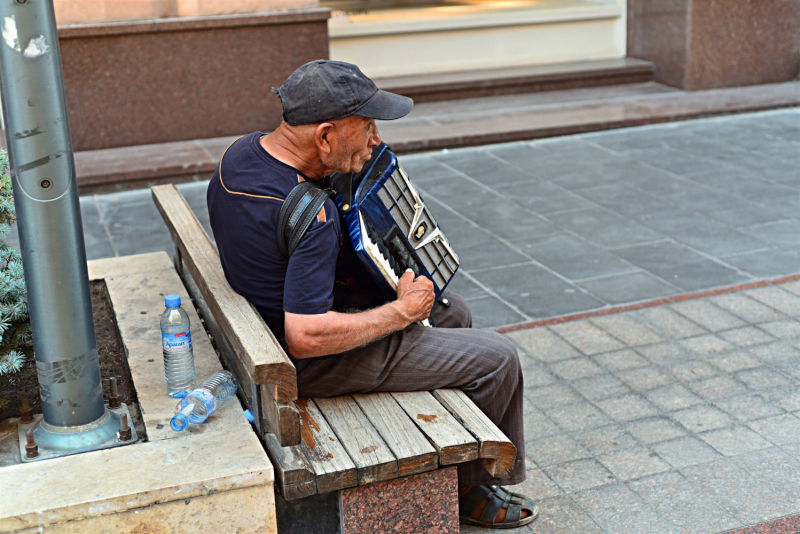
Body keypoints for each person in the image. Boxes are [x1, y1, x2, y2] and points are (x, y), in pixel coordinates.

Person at [207, 59, 538, 529]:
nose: (375, 140)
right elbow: (306, 335)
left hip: (261, 328)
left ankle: (452, 461)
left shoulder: (238, 156)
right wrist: (400, 312)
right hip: (303, 361)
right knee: (499, 359)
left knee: (452, 309)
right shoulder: (312, 215)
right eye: (366, 128)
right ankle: (467, 490)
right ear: (324, 137)